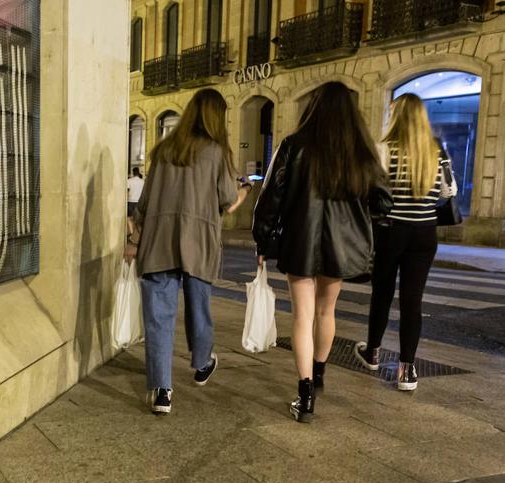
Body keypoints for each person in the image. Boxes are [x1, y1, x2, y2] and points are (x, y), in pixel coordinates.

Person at [253, 81, 391, 423]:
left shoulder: (293, 145)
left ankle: (304, 394)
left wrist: (264, 239)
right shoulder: (361, 152)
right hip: (342, 246)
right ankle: (319, 373)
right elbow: (383, 201)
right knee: (326, 312)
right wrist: (360, 219)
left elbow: (271, 198)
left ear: (312, 108)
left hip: (301, 241)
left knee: (302, 315)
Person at [131, 88, 252, 415]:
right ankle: (201, 362)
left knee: (159, 314)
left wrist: (135, 233)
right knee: (199, 306)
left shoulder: (165, 149)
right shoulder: (218, 152)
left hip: (160, 239)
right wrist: (244, 189)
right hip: (198, 241)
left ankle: (161, 391)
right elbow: (226, 202)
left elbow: (143, 205)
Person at [354, 94, 457, 391]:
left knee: (382, 293)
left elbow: (370, 190)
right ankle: (407, 370)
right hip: (425, 233)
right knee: (413, 300)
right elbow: (448, 192)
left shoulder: (383, 150)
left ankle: (372, 351)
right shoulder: (437, 152)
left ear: (396, 117)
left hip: (390, 230)